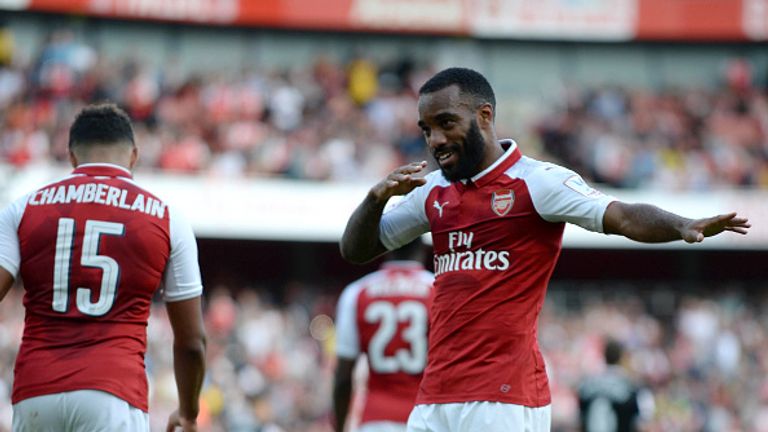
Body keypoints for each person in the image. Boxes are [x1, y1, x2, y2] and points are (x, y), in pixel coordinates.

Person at [339, 67, 750, 432]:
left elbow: (620, 215)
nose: (436, 140)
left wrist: (682, 225)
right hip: (433, 396)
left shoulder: (537, 182)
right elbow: (355, 251)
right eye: (426, 129)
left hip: (502, 398)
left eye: (446, 123)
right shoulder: (432, 192)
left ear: (484, 116)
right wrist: (376, 199)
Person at [0, 103, 206, 432]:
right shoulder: (167, 218)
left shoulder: (23, 208)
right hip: (113, 391)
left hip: (36, 390)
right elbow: (192, 341)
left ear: (71, 157)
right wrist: (188, 411)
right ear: (134, 156)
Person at [333, 239, 434, 432]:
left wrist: (338, 427)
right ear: (423, 248)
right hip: (424, 417)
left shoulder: (357, 292)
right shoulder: (437, 289)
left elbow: (343, 376)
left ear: (386, 247)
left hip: (375, 418)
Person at [578, 339, 653, 432]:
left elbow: (579, 418)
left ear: (604, 356)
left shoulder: (587, 384)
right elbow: (642, 421)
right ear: (621, 358)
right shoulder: (631, 386)